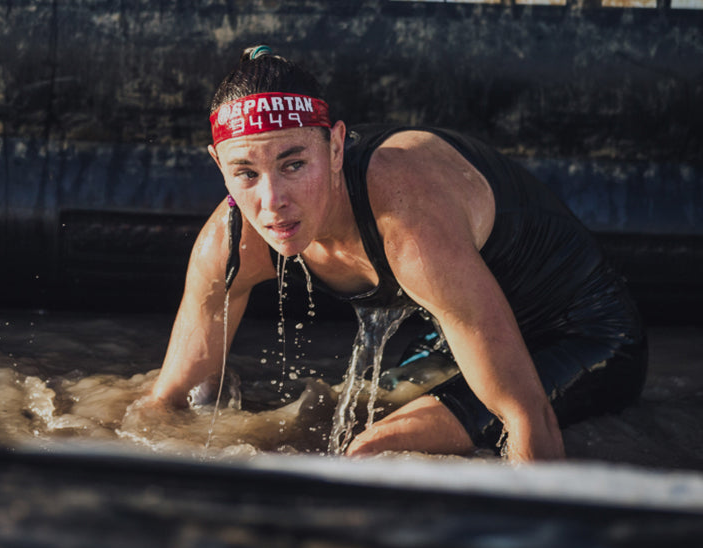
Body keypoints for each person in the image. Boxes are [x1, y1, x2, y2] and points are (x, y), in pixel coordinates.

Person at [143, 45, 647, 462]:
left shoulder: (408, 222)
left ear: (336, 147)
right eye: (246, 174)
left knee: (369, 452)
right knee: (305, 427)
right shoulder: (229, 242)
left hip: (586, 334)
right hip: (455, 337)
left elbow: (525, 414)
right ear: (218, 165)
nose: (272, 202)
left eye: (294, 164)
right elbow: (169, 399)